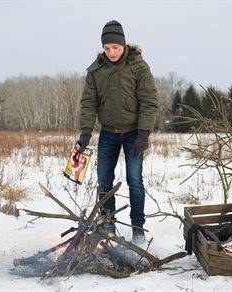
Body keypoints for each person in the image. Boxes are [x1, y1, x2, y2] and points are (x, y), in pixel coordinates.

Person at [77, 20, 158, 244]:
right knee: (104, 180)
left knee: (135, 180)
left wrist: (144, 134)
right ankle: (108, 223)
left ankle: (137, 228)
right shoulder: (96, 71)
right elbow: (88, 102)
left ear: (123, 45)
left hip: (134, 133)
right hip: (108, 133)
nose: (111, 52)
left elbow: (149, 101)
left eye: (116, 47)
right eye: (107, 48)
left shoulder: (138, 66)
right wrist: (85, 132)